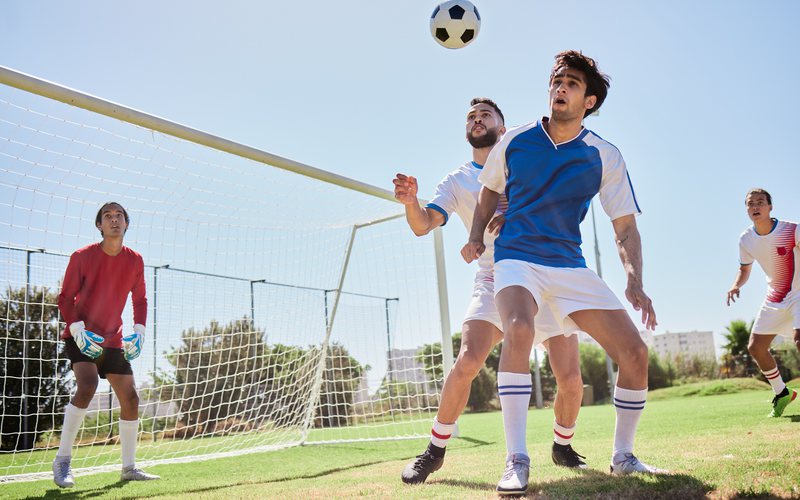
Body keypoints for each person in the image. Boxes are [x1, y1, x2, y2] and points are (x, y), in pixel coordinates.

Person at [462, 51, 664, 495]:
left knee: (634, 354)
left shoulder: (604, 156)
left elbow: (625, 227)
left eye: (571, 83)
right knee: (517, 329)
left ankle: (624, 456)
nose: (561, 88)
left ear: (588, 101)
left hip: (569, 265)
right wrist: (477, 234)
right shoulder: (514, 140)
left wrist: (634, 280)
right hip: (516, 256)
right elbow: (489, 190)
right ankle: (516, 459)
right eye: (557, 81)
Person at [394, 98, 587, 487]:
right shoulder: (457, 180)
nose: (476, 119)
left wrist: (510, 214)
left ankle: (562, 445)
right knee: (467, 359)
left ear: (503, 124)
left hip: (545, 270)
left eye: (485, 114)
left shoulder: (526, 160)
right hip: (495, 276)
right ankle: (434, 451)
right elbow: (423, 225)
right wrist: (412, 203)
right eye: (470, 116)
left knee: (570, 378)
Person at [52, 202, 160, 488]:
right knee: (87, 386)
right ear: (99, 225)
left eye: (119, 215)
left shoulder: (135, 260)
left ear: (127, 224)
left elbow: (140, 299)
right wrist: (76, 328)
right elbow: (65, 298)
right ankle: (62, 461)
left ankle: (129, 467)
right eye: (107, 216)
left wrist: (139, 332)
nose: (114, 219)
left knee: (132, 399)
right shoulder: (81, 256)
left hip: (113, 339)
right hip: (84, 336)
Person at [726, 188, 799, 417]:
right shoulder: (746, 239)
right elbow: (744, 269)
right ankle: (782, 392)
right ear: (747, 209)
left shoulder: (792, 230)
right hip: (775, 296)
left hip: (799, 293)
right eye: (750, 204)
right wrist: (736, 285)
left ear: (770, 207)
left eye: (760, 202)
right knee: (756, 347)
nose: (755, 207)